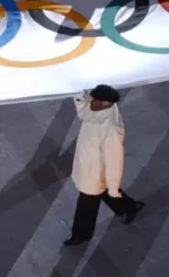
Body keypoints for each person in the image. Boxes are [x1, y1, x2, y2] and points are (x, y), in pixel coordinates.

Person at [64, 85, 144, 247]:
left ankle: (81, 235)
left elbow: (114, 160)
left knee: (86, 205)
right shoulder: (98, 109)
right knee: (105, 192)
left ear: (106, 103)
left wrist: (113, 185)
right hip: (89, 166)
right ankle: (129, 207)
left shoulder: (111, 129)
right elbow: (85, 114)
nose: (91, 102)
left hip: (94, 173)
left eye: (95, 100)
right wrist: (79, 98)